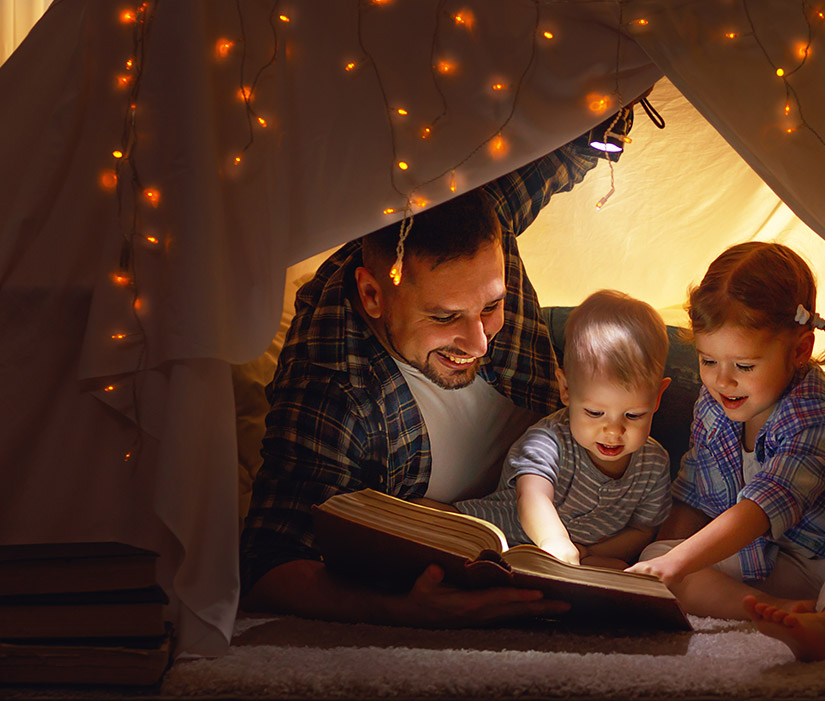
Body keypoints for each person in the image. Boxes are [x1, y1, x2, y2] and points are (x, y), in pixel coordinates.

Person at [240, 115, 632, 626]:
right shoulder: (332, 380)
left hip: (578, 428)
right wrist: (398, 608)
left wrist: (622, 89)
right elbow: (269, 562)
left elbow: (568, 143)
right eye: (445, 318)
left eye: (492, 306)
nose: (479, 341)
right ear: (373, 295)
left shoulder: (481, 220)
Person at [627, 242, 825, 661]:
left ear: (799, 350)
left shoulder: (820, 416)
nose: (723, 381)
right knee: (662, 559)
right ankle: (782, 612)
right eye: (708, 361)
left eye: (744, 366)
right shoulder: (712, 408)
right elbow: (694, 497)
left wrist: (676, 564)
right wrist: (660, 564)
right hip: (781, 559)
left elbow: (761, 509)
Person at [455, 290, 672, 569]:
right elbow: (532, 495)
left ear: (657, 399)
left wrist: (589, 551)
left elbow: (643, 530)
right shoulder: (548, 441)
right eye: (595, 413)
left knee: (621, 572)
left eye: (633, 415)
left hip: (577, 559)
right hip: (499, 536)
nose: (614, 430)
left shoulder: (654, 465)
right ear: (566, 389)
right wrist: (554, 541)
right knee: (444, 530)